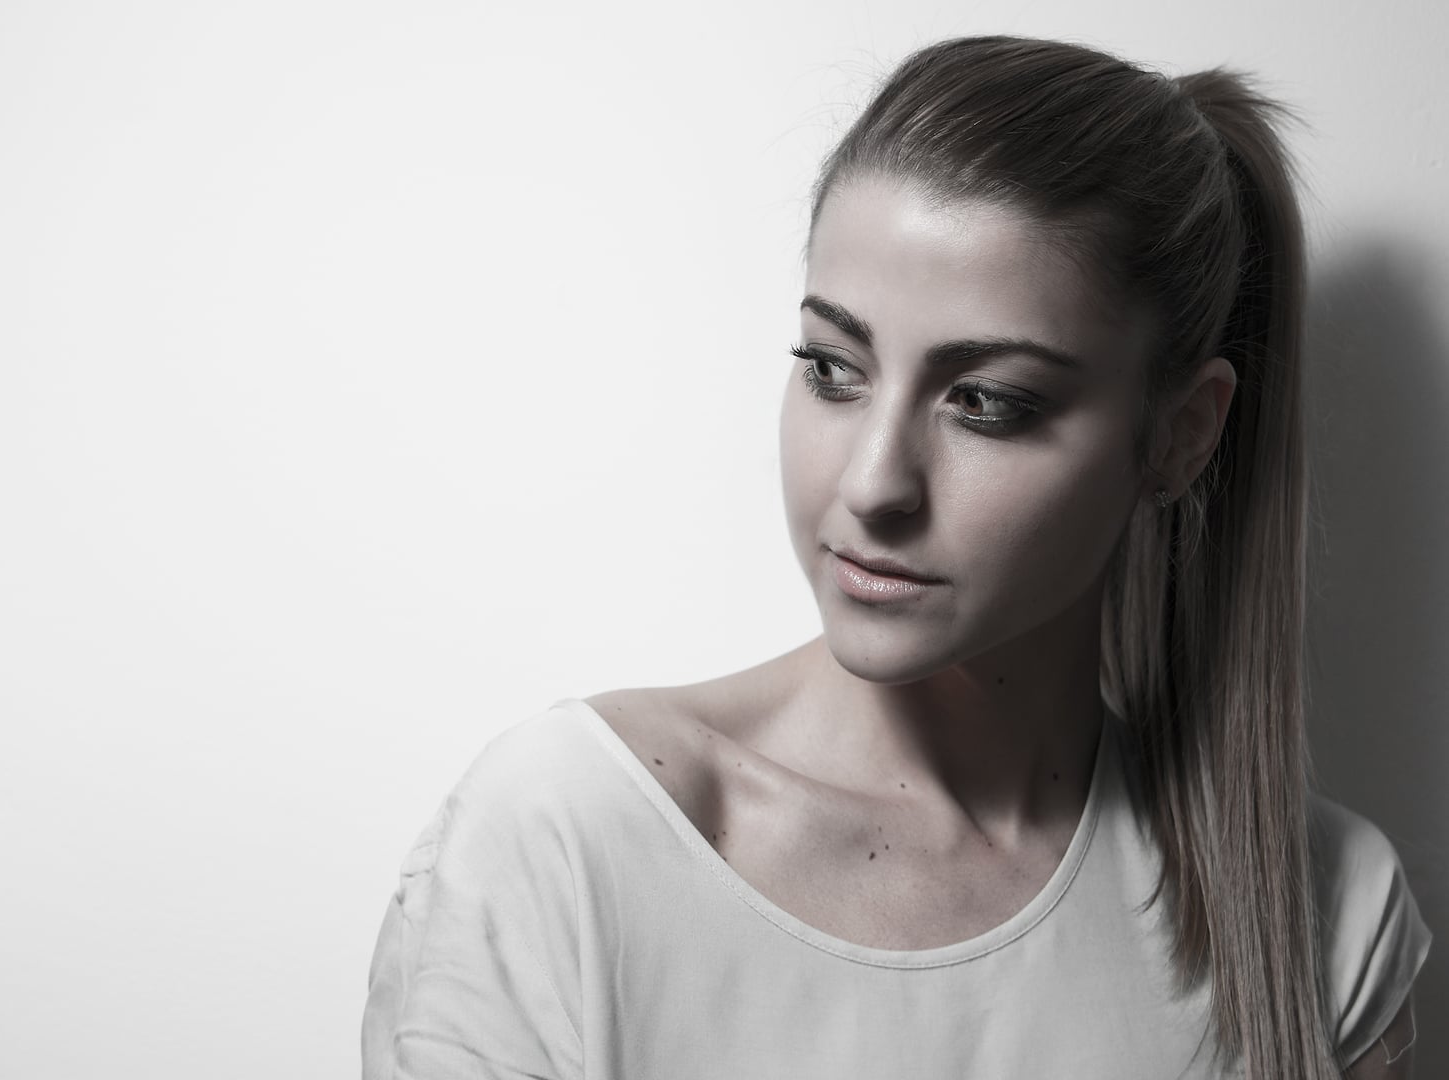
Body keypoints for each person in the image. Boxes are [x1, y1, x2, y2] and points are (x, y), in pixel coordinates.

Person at [361, 35, 1431, 1079]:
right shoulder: (567, 842)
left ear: (1182, 435)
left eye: (986, 402)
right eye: (833, 369)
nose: (873, 484)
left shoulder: (1324, 919)